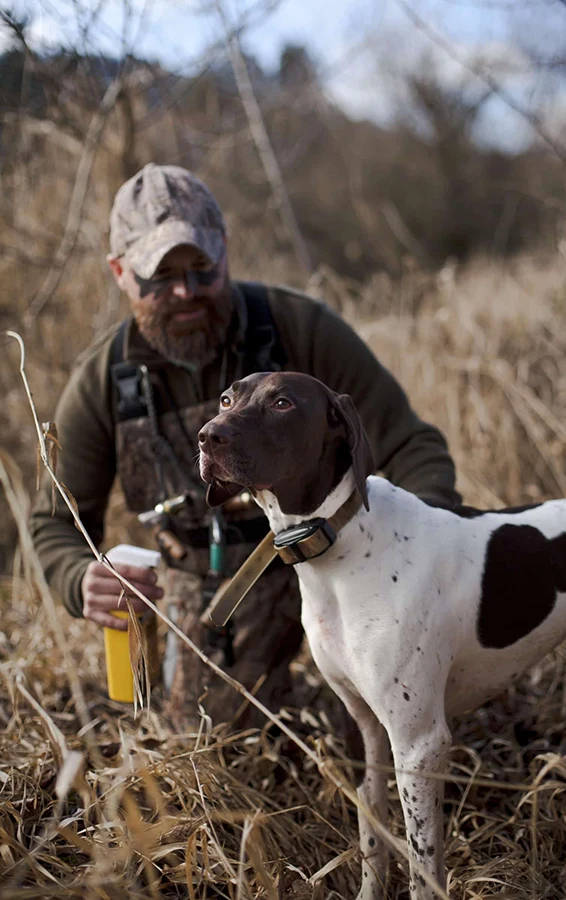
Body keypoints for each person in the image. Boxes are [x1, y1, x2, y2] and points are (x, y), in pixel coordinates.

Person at [30, 163, 461, 730]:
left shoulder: (298, 328)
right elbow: (54, 522)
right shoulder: (102, 380)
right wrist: (79, 577)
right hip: (213, 584)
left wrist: (421, 558)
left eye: (201, 268)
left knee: (401, 717)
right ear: (119, 272)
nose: (185, 291)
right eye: (160, 276)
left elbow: (412, 444)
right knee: (209, 738)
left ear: (225, 252)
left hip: (340, 550)